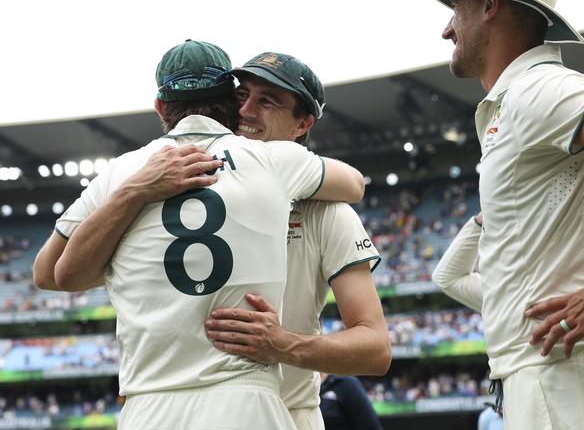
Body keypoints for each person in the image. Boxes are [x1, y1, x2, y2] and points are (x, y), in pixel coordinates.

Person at [33, 39, 367, 429]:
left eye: (267, 101)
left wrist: (134, 195)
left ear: (160, 106)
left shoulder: (122, 171)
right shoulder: (276, 160)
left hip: (150, 406)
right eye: (244, 96)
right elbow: (354, 183)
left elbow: (52, 273)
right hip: (249, 401)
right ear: (230, 99)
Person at [417, 0, 584, 428]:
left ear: (490, 6)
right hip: (565, 376)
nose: (447, 29)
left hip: (564, 380)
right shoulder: (522, 99)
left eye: (455, 8)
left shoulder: (534, 89)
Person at [203, 52, 391, 430]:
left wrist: (283, 344)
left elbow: (376, 349)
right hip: (195, 415)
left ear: (303, 123)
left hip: (287, 414)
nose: (246, 111)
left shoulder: (327, 213)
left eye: (267, 101)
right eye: (242, 96)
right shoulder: (185, 189)